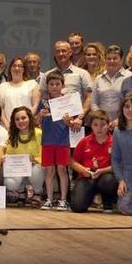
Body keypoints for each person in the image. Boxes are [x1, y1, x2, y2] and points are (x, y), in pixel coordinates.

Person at [37, 71, 77, 211]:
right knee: (49, 170)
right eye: (51, 84)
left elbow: (73, 124)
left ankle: (63, 200)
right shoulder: (43, 102)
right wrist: (40, 116)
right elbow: (36, 122)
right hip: (47, 141)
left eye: (57, 84)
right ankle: (49, 199)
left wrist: (69, 122)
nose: (54, 87)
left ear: (63, 85)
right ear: (47, 86)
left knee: (62, 169)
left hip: (62, 141)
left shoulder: (67, 102)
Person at [0, 106, 44, 206]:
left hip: (34, 169)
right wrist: (5, 158)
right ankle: (21, 192)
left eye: (23, 118)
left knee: (37, 170)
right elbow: (7, 154)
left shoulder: (39, 133)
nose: (21, 121)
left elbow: (45, 155)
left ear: (29, 119)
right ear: (14, 122)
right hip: (18, 170)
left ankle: (37, 193)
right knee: (10, 182)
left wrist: (35, 160)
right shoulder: (11, 136)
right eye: (17, 119)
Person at [70, 110, 119, 213]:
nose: (99, 128)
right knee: (77, 207)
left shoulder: (115, 142)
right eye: (95, 125)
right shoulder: (84, 141)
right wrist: (83, 170)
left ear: (108, 125)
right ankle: (90, 197)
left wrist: (102, 171)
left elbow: (118, 165)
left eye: (102, 125)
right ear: (91, 126)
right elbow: (72, 161)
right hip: (87, 177)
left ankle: (108, 202)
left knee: (109, 181)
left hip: (106, 176)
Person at [90, 44, 132, 130]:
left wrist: (120, 119)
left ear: (121, 60)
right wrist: (101, 119)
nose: (111, 61)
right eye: (108, 59)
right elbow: (94, 103)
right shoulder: (98, 78)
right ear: (105, 60)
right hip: (101, 127)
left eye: (115, 58)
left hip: (124, 125)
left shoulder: (130, 77)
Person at [0, 56, 41, 130]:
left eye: (20, 66)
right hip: (8, 128)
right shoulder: (2, 87)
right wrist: (8, 126)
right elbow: (0, 108)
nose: (17, 68)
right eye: (14, 66)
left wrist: (24, 122)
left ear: (24, 69)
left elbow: (35, 105)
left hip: (28, 128)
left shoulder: (32, 84)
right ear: (10, 69)